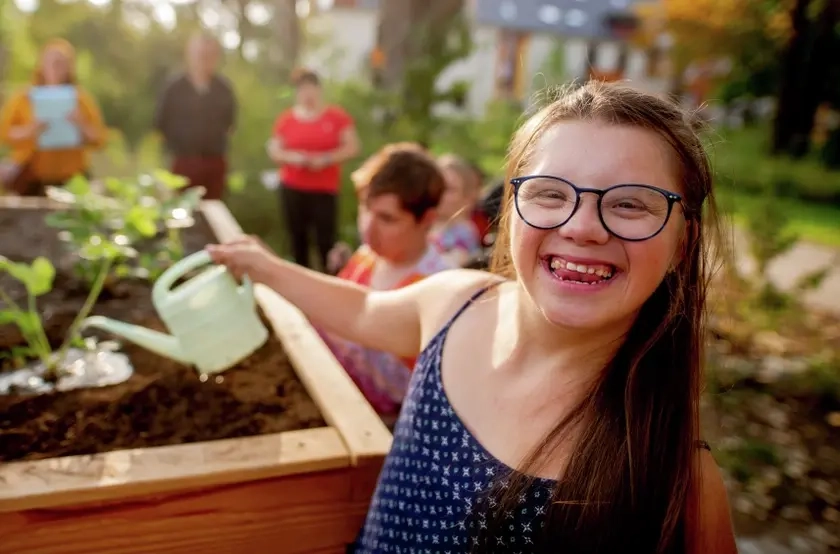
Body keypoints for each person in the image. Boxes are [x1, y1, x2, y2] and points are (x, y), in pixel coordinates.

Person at [206, 82, 737, 553]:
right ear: (511, 208)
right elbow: (363, 309)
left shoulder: (677, 479)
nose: (582, 226)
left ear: (681, 241)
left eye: (629, 204)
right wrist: (266, 268)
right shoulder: (455, 304)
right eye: (550, 193)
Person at [313, 142, 452, 425]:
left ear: (426, 219)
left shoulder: (439, 288)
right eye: (366, 209)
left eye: (387, 219)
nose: (367, 228)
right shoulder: (367, 257)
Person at [267, 68, 360, 270]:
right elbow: (274, 150)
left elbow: (352, 146)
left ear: (319, 90)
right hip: (293, 187)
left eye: (311, 88)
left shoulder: (336, 117)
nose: (308, 94)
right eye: (303, 89)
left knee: (326, 240)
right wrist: (294, 158)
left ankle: (332, 281)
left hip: (324, 189)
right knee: (297, 240)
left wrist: (326, 158)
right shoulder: (287, 119)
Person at [0, 39, 106, 196]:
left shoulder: (81, 99)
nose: (56, 68)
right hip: (31, 176)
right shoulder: (24, 98)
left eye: (62, 63)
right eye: (52, 62)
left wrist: (80, 123)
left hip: (71, 177)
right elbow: (4, 133)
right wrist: (30, 130)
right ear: (41, 65)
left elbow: (100, 139)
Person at [154, 32, 237, 200]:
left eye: (210, 55)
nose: (205, 59)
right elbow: (160, 122)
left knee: (212, 210)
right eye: (200, 54)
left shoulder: (224, 88)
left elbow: (230, 124)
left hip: (215, 162)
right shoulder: (174, 88)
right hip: (183, 162)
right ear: (189, 54)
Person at [429, 153, 483, 267]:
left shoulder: (463, 235)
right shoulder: (421, 226)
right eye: (438, 186)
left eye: (450, 189)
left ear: (467, 198)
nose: (440, 193)